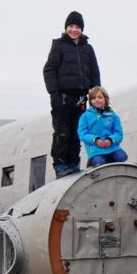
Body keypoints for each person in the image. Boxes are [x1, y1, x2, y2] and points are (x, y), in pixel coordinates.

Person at [43, 11, 101, 176]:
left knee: (78, 132)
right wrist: (53, 93)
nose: (74, 30)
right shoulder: (59, 45)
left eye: (77, 27)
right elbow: (49, 70)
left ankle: (74, 164)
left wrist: (96, 96)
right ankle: (61, 165)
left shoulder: (88, 49)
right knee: (63, 132)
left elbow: (95, 74)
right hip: (62, 97)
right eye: (71, 26)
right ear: (66, 28)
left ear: (82, 29)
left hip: (81, 98)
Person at [78, 86, 129, 167]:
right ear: (90, 101)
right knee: (100, 162)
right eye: (93, 98)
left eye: (100, 97)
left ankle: (108, 158)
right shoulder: (85, 116)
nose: (97, 100)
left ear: (105, 99)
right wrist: (95, 140)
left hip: (111, 147)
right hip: (95, 149)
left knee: (122, 157)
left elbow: (118, 133)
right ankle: (93, 161)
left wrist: (110, 140)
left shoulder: (113, 116)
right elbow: (82, 134)